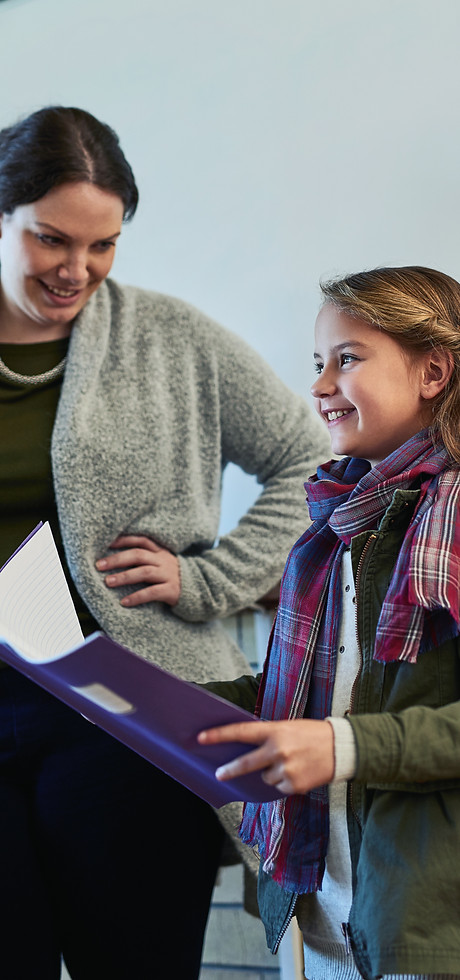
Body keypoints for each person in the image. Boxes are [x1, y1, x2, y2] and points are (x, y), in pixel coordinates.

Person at [0, 105, 328, 980]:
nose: (78, 270)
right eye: (51, 240)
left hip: (126, 706)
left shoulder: (169, 339)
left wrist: (207, 578)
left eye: (103, 246)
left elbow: (307, 460)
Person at [198, 266, 460, 980]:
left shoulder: (451, 521)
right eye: (319, 362)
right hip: (323, 914)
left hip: (430, 924)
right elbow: (329, 694)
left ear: (433, 371)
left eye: (346, 359)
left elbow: (346, 728)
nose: (318, 387)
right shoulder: (336, 527)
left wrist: (342, 747)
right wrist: (165, 708)